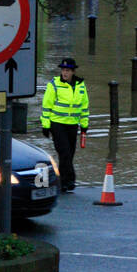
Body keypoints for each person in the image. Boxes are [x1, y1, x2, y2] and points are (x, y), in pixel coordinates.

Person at [41, 58, 89, 193]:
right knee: (65, 153)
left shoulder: (80, 85)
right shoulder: (54, 84)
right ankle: (70, 180)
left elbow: (84, 107)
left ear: (73, 72)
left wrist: (84, 125)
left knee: (69, 154)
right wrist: (46, 125)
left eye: (67, 70)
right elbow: (46, 106)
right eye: (63, 70)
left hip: (72, 125)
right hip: (57, 124)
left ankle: (62, 182)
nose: (64, 73)